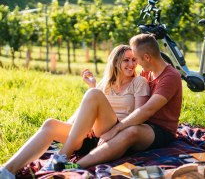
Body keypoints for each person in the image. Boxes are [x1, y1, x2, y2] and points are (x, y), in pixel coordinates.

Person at [0, 45, 150, 178]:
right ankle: (7, 171)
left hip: (114, 135)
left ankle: (62, 156)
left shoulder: (138, 82)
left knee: (94, 94)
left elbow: (138, 116)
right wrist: (93, 87)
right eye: (126, 60)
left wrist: (113, 128)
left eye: (134, 60)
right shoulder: (106, 83)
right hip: (91, 138)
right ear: (116, 62)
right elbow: (93, 105)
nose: (132, 64)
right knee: (50, 124)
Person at [52, 33, 183, 169]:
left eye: (136, 59)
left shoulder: (170, 77)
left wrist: (115, 129)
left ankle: (76, 166)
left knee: (131, 131)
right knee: (129, 128)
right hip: (144, 124)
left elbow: (146, 110)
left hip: (161, 131)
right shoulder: (147, 72)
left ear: (147, 57)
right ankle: (68, 149)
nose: (135, 64)